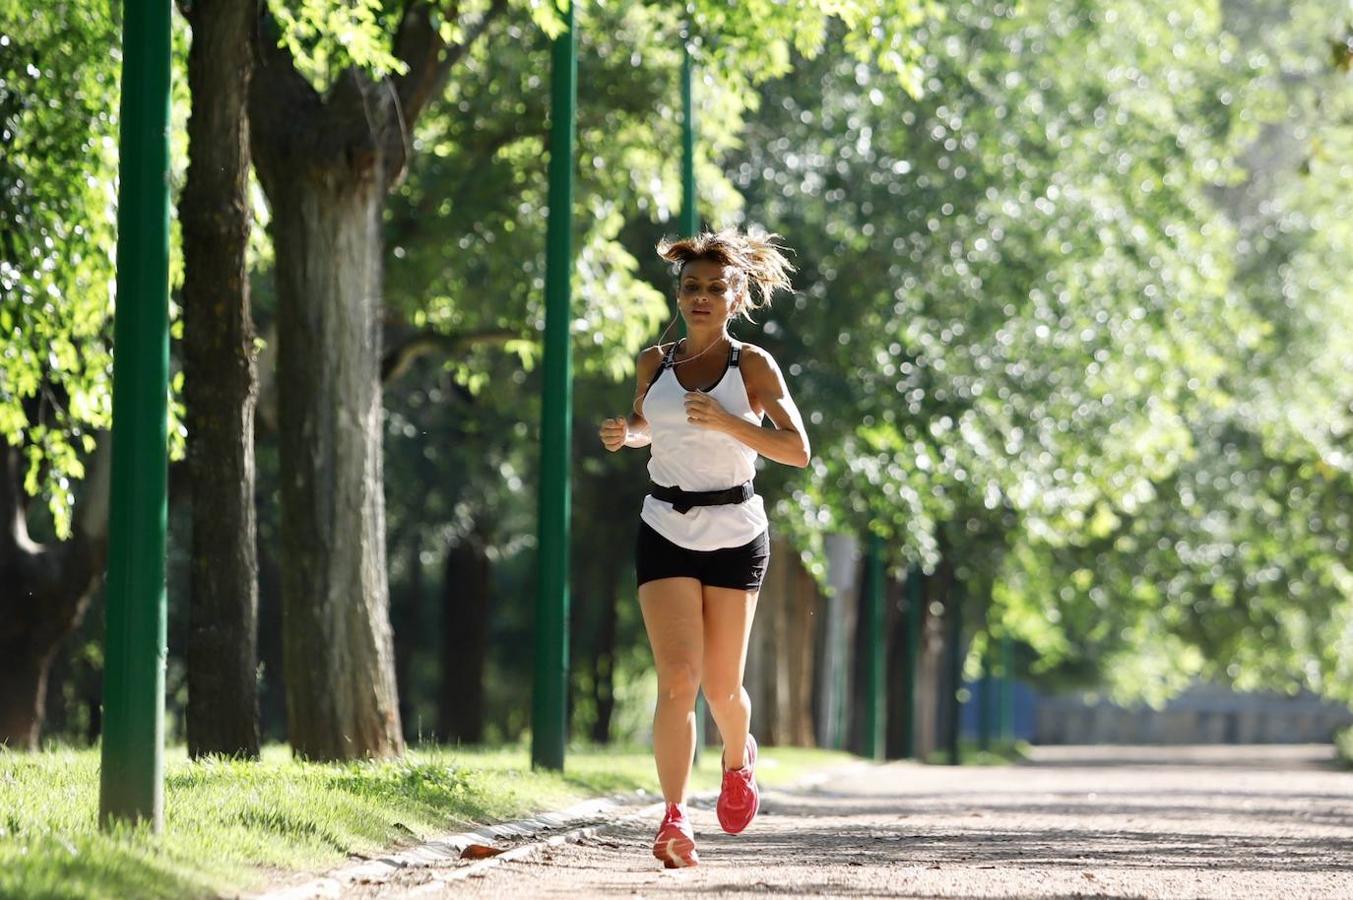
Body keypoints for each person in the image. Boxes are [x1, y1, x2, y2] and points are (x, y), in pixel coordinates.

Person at [598, 228, 811, 868]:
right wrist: (626, 433)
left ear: (736, 295)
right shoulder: (653, 363)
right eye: (692, 287)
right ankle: (672, 819)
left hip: (736, 533)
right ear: (679, 292)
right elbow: (650, 424)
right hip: (664, 525)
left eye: (716, 288)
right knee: (677, 682)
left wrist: (728, 421)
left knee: (722, 689)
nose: (702, 297)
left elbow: (797, 450)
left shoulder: (753, 366)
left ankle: (738, 759)